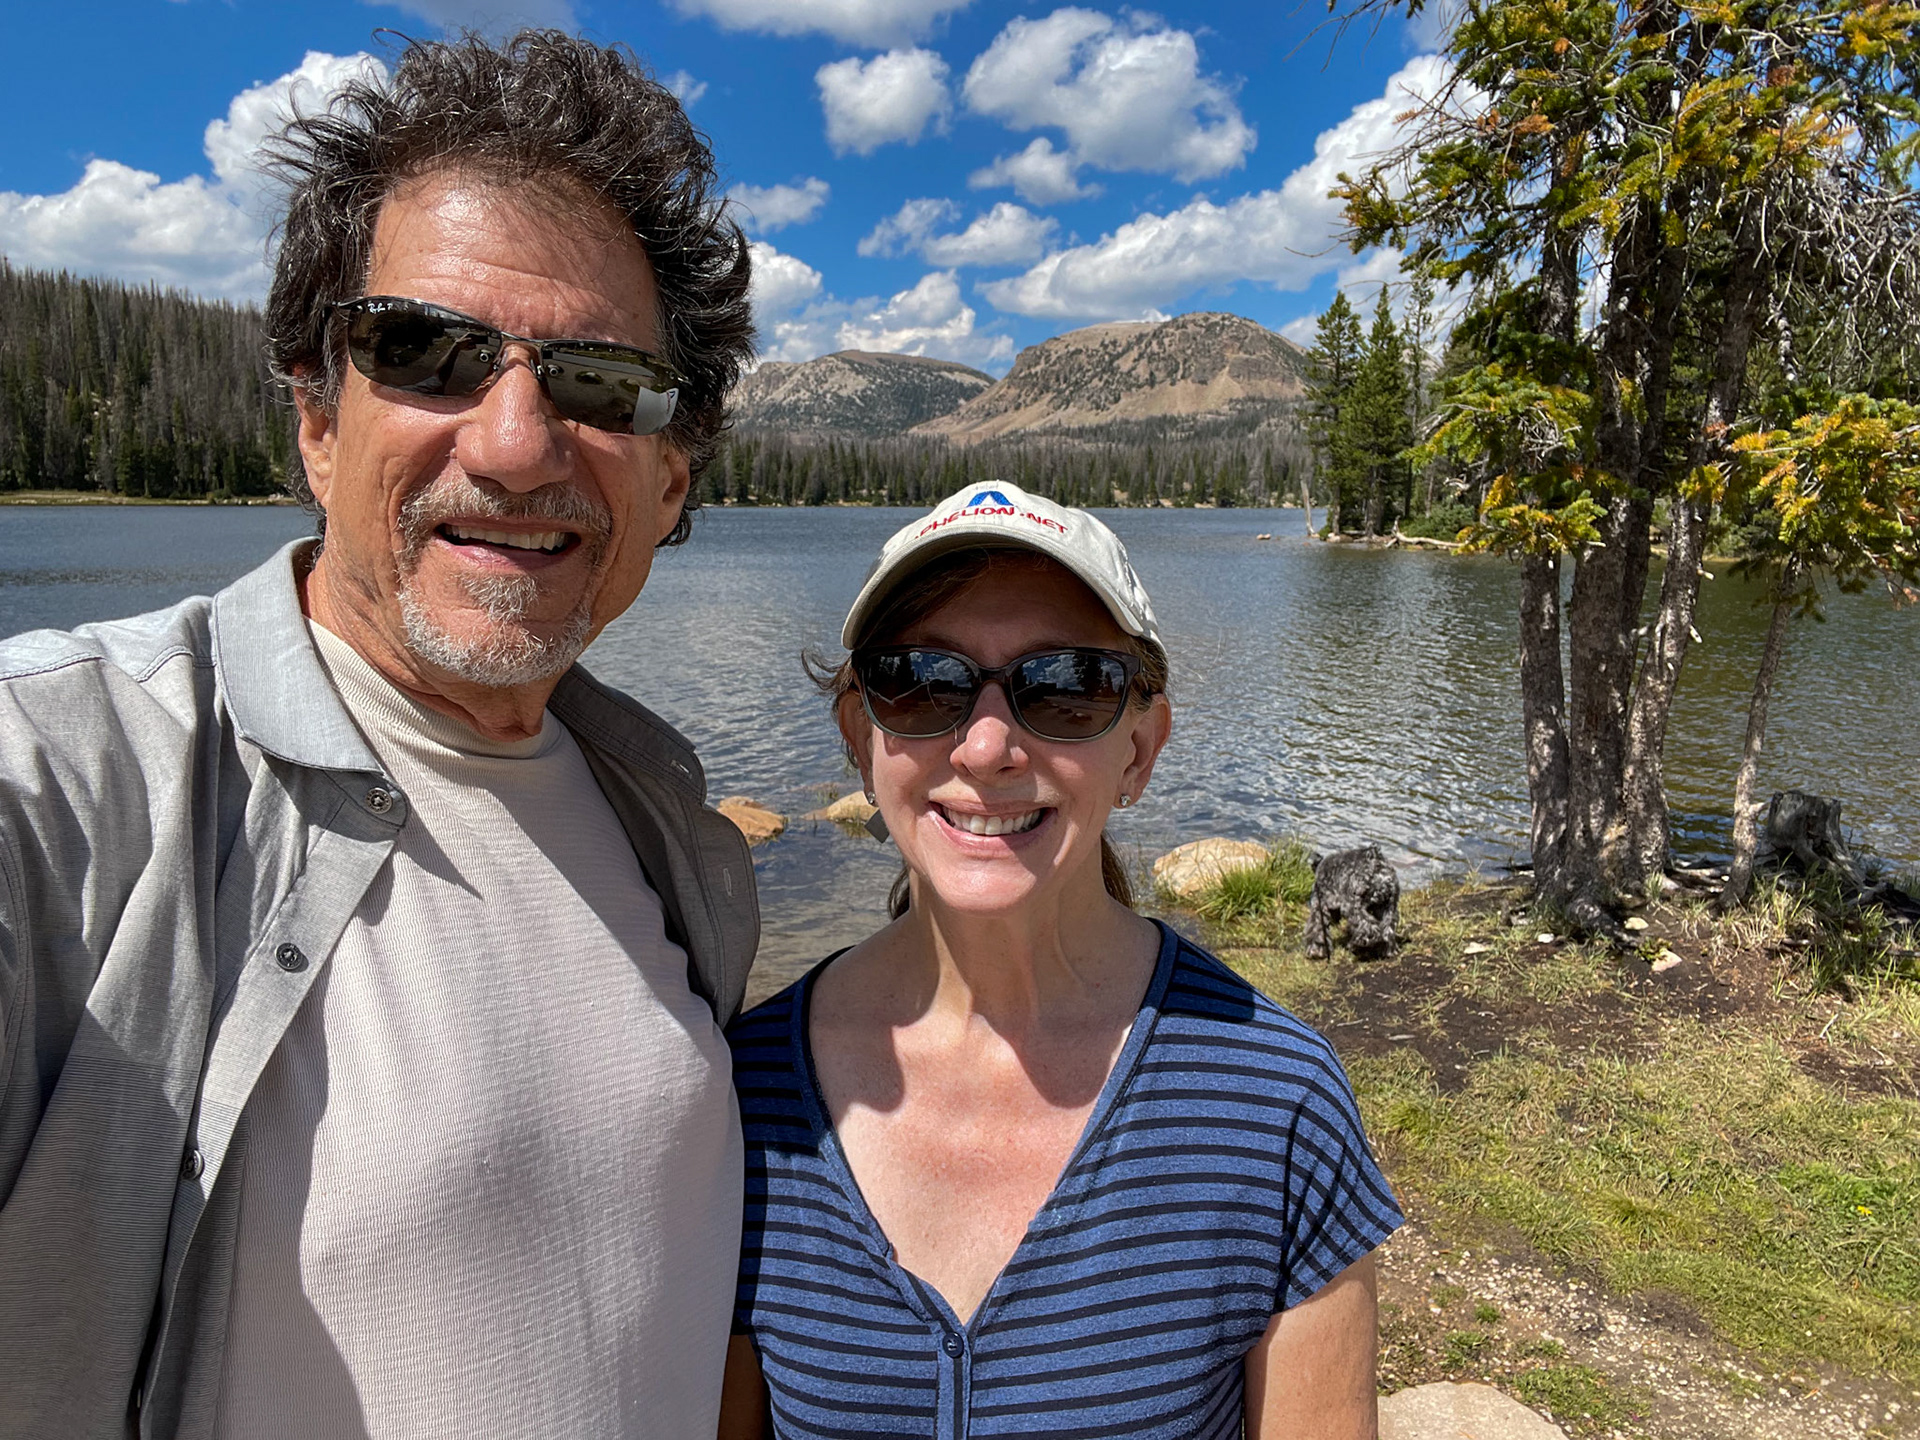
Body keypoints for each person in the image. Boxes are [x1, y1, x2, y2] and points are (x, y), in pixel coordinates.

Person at [0, 32, 759, 1439]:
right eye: (428, 352)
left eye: (600, 383)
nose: (519, 441)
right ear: (313, 418)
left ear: (670, 477)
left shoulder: (664, 823)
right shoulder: (74, 774)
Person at [720, 483, 1402, 1439]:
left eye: (1067, 685)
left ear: (1140, 750)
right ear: (859, 736)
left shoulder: (1273, 1105)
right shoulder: (745, 1102)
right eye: (920, 681)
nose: (989, 746)